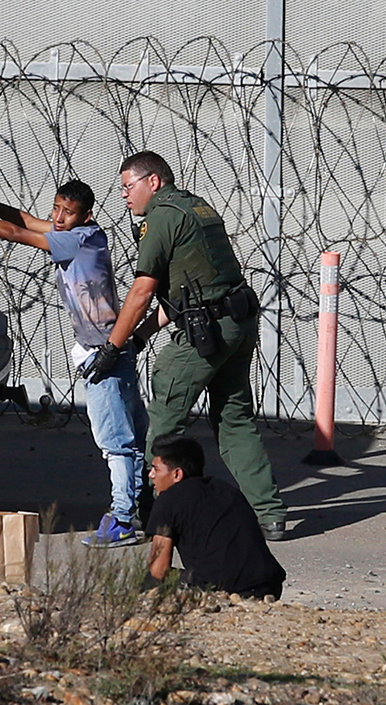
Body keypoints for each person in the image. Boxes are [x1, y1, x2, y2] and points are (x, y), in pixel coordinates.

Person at [83, 150, 289, 541]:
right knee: (234, 419)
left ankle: (144, 512)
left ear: (153, 182)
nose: (124, 195)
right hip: (235, 322)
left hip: (206, 332)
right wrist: (141, 336)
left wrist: (112, 347)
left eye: (128, 186)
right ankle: (270, 514)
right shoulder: (196, 207)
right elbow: (183, 295)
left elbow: (143, 291)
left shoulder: (162, 217)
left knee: (163, 422)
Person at [0, 173, 149, 547]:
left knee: (115, 443)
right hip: (112, 349)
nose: (58, 217)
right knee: (130, 438)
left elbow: (15, 233)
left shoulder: (77, 240)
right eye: (56, 208)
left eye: (68, 212)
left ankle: (122, 519)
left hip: (104, 355)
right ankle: (138, 507)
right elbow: (24, 219)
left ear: (85, 216)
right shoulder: (81, 233)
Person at [144, 434, 285, 597]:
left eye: (156, 469)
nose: (151, 475)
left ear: (177, 474)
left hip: (225, 589)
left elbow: (158, 570)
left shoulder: (168, 500)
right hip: (269, 583)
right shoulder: (227, 489)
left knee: (151, 580)